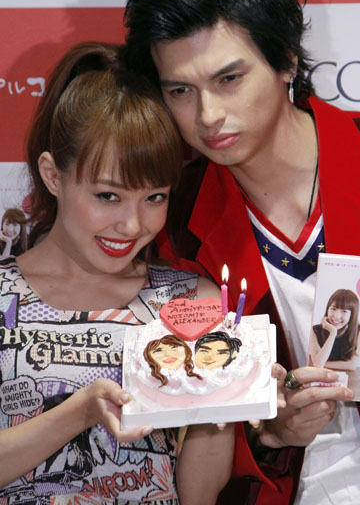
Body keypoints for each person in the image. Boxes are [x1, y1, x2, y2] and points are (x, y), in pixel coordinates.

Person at [124, 0, 360, 505]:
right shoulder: (172, 222)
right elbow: (189, 417)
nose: (207, 115)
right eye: (180, 91)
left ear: (286, 60)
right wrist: (272, 434)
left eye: (229, 78)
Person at [0, 41, 234, 505]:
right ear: (53, 175)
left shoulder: (193, 304)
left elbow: (198, 494)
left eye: (154, 197)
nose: (131, 225)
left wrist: (227, 399)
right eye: (108, 196)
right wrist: (81, 412)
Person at [309, 289, 360, 370]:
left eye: (344, 311)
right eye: (333, 309)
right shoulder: (315, 330)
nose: (336, 316)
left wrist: (317, 362)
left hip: (347, 376)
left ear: (352, 314)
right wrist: (333, 333)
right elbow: (318, 364)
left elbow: (352, 365)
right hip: (319, 375)